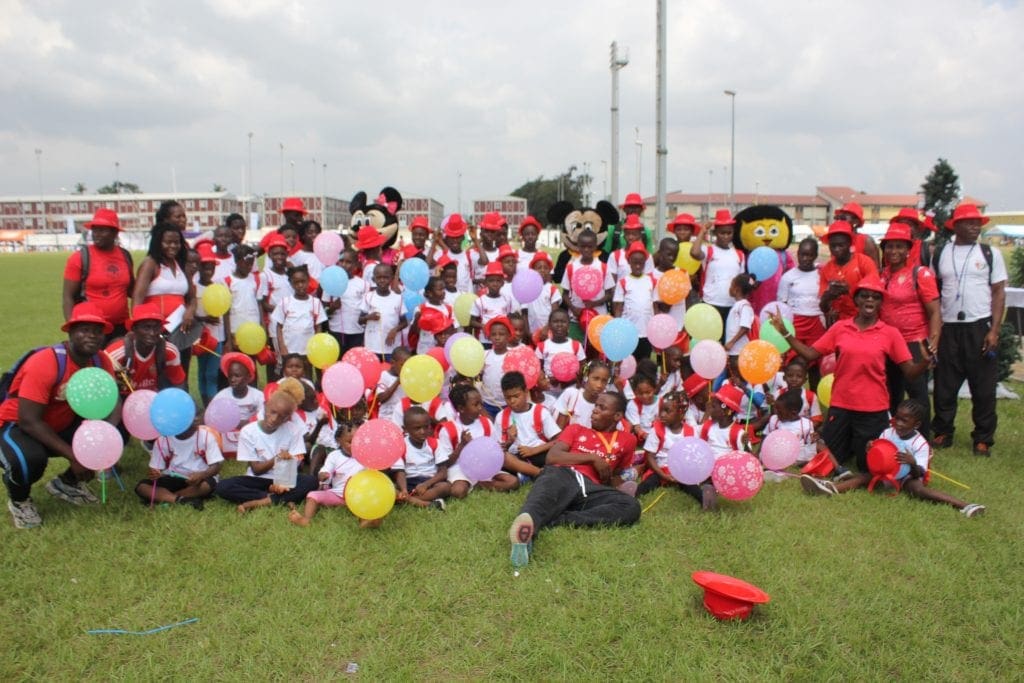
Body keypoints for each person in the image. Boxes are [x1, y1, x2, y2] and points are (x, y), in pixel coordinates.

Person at [769, 274, 931, 472]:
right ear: (856, 300)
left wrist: (926, 360)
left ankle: (856, 447)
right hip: (841, 405)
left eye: (875, 297)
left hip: (873, 409)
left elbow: (911, 373)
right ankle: (849, 450)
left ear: (881, 302)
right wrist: (784, 332)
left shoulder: (890, 333)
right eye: (864, 296)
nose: (870, 300)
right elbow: (810, 354)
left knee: (868, 465)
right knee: (827, 461)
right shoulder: (840, 328)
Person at [0, 303, 118, 528]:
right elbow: (28, 420)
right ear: (70, 332)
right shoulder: (47, 362)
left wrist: (105, 438)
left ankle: (67, 483)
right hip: (15, 426)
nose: (91, 336)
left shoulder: (100, 361)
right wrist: (76, 456)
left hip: (56, 424)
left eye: (97, 331)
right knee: (29, 461)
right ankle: (19, 500)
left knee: (103, 439)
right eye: (84, 329)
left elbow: (113, 400)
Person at [507, 391, 642, 569]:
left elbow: (618, 472)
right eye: (595, 406)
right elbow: (553, 457)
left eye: (602, 408)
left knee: (631, 506)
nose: (595, 410)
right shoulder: (576, 429)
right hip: (563, 474)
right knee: (542, 495)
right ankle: (524, 536)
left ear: (617, 416)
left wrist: (620, 481)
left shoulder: (628, 440)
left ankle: (557, 518)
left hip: (590, 487)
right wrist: (592, 458)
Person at [800, 400, 986, 518]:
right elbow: (879, 456)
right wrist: (870, 449)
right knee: (864, 476)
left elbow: (920, 472)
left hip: (908, 476)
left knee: (918, 490)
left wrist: (912, 463)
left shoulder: (920, 443)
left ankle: (965, 505)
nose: (898, 423)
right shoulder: (888, 432)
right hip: (886, 473)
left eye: (905, 421)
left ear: (917, 424)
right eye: (897, 418)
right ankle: (829, 488)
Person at [931, 203, 1006, 456]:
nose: (976, 227)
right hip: (949, 327)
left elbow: (998, 292)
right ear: (957, 226)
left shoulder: (989, 253)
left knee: (983, 386)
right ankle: (942, 431)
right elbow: (933, 292)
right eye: (970, 223)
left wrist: (994, 330)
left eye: (978, 223)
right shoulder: (941, 253)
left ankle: (983, 438)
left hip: (979, 325)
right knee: (944, 384)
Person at [215, 379, 317, 513]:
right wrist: (278, 458)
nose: (274, 419)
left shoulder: (294, 430)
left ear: (287, 418)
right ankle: (274, 499)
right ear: (265, 407)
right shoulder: (248, 431)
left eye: (281, 417)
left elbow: (295, 462)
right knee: (223, 486)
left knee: (311, 481)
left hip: (283, 480)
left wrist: (282, 483)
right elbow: (257, 470)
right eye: (272, 412)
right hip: (256, 480)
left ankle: (259, 502)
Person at [878, 222, 941, 439]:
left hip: (914, 341)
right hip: (888, 343)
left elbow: (935, 312)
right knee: (891, 392)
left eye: (899, 247)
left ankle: (922, 442)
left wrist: (933, 344)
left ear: (908, 249)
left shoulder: (920, 274)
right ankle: (894, 438)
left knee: (917, 394)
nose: (894, 251)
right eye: (889, 247)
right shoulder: (882, 275)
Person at [636, 391, 717, 510]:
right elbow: (650, 456)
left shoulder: (690, 432)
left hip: (682, 470)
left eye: (667, 411)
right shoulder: (657, 429)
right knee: (649, 483)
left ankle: (706, 501)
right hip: (661, 469)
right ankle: (632, 494)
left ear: (681, 414)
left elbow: (694, 455)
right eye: (661, 410)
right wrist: (663, 475)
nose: (662, 415)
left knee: (691, 487)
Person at [62, 208, 134, 341]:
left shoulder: (125, 256)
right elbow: (67, 297)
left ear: (115, 233)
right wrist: (72, 327)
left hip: (121, 327)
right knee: (94, 362)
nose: (96, 234)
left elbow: (132, 290)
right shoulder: (79, 258)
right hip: (91, 327)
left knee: (118, 362)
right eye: (94, 229)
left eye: (102, 230)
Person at [132, 222, 196, 365]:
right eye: (168, 242)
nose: (173, 246)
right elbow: (137, 299)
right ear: (158, 242)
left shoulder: (182, 265)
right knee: (159, 372)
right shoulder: (150, 264)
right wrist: (137, 330)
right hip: (155, 332)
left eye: (176, 242)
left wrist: (189, 312)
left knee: (181, 369)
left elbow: (192, 298)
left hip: (181, 331)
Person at [288, 420, 369, 527]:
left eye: (358, 441)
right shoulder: (334, 456)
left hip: (357, 496)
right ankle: (306, 520)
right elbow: (325, 470)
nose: (354, 445)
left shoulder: (366, 456)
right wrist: (323, 475)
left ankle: (367, 521)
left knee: (368, 502)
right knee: (312, 495)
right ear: (339, 440)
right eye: (349, 442)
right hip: (337, 494)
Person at [136, 416, 223, 510]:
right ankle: (182, 500)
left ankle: (167, 498)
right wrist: (155, 473)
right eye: (191, 417)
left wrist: (202, 475)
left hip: (199, 478)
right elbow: (156, 469)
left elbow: (216, 466)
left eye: (196, 416)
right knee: (142, 486)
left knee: (206, 486)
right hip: (173, 477)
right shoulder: (163, 440)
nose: (196, 419)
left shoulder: (206, 436)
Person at [104, 303, 187, 394]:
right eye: (146, 327)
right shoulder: (115, 354)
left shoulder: (170, 351)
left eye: (156, 327)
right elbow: (104, 389)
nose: (152, 333)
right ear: (134, 329)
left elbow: (179, 383)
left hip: (153, 398)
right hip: (122, 398)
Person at [777, 238, 827, 381]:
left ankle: (813, 398)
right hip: (795, 324)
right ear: (797, 254)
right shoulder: (787, 277)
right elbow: (781, 305)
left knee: (815, 364)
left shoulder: (822, 274)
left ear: (815, 255)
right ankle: (787, 399)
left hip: (817, 324)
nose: (805, 258)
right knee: (792, 362)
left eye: (810, 255)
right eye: (802, 254)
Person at [498, 371, 560, 481]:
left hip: (539, 453)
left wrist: (533, 450)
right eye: (508, 397)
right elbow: (498, 450)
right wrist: (509, 442)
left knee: (556, 455)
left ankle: (525, 473)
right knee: (503, 458)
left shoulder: (540, 412)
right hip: (515, 457)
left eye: (516, 396)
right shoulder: (501, 417)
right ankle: (538, 473)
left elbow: (558, 440)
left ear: (526, 392)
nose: (512, 401)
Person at [690, 209, 745, 332]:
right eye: (722, 233)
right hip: (710, 303)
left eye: (729, 233)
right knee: (709, 341)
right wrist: (702, 231)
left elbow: (741, 282)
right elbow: (694, 252)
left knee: (727, 343)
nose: (726, 236)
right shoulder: (708, 250)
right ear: (715, 233)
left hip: (731, 305)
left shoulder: (739, 255)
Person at [819, 221, 878, 326]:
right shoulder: (826, 269)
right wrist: (829, 295)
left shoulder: (864, 262)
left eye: (841, 245)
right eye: (833, 246)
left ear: (850, 243)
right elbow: (823, 306)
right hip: (837, 324)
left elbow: (875, 298)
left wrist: (850, 291)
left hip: (863, 323)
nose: (837, 249)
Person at [392, 407, 450, 510]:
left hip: (430, 481)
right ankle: (425, 504)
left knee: (445, 487)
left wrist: (426, 484)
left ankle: (406, 500)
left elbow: (443, 472)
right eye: (417, 428)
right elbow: (400, 472)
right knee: (391, 489)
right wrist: (404, 489)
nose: (423, 431)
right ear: (405, 429)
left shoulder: (435, 443)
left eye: (426, 427)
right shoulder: (401, 445)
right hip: (409, 482)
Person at [211, 352, 265, 457]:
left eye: (237, 376)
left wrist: (249, 422)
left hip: (250, 428)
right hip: (228, 430)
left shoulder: (257, 396)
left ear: (249, 377)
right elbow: (213, 415)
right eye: (230, 376)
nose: (232, 379)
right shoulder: (222, 395)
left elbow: (264, 415)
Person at [612, 241, 657, 361]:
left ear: (645, 263)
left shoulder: (651, 281)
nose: (638, 266)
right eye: (634, 262)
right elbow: (618, 308)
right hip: (629, 333)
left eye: (641, 263)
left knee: (644, 362)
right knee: (629, 362)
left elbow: (655, 306)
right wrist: (618, 329)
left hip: (646, 333)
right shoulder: (623, 282)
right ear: (629, 262)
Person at [358, 264, 406, 361]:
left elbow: (404, 322)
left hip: (391, 346)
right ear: (373, 279)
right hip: (372, 346)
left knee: (389, 371)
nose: (382, 280)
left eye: (386, 277)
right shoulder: (368, 297)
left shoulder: (397, 298)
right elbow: (360, 320)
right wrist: (369, 317)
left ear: (391, 278)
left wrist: (395, 330)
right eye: (379, 277)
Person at [554, 359, 611, 429]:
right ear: (586, 376)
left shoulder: (605, 405)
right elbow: (559, 429)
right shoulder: (571, 395)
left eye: (604, 381)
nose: (599, 385)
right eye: (596, 379)